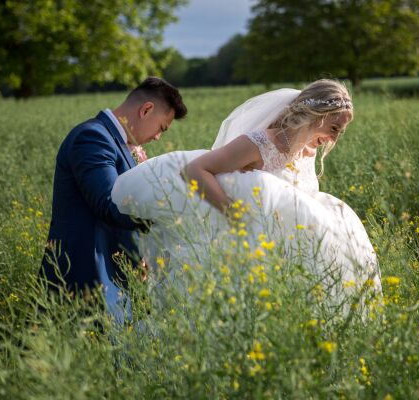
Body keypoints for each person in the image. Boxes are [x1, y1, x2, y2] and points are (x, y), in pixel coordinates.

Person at [112, 79, 381, 295]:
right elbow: (195, 170)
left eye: (340, 132)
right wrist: (235, 215)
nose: (334, 137)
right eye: (334, 127)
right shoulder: (260, 143)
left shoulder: (307, 152)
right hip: (249, 247)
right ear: (316, 115)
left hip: (287, 253)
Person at [40, 77, 188, 322]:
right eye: (162, 128)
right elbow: (110, 204)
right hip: (85, 268)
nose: (157, 138)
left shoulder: (115, 141)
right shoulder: (93, 137)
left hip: (111, 268)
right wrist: (171, 211)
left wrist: (139, 252)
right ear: (146, 110)